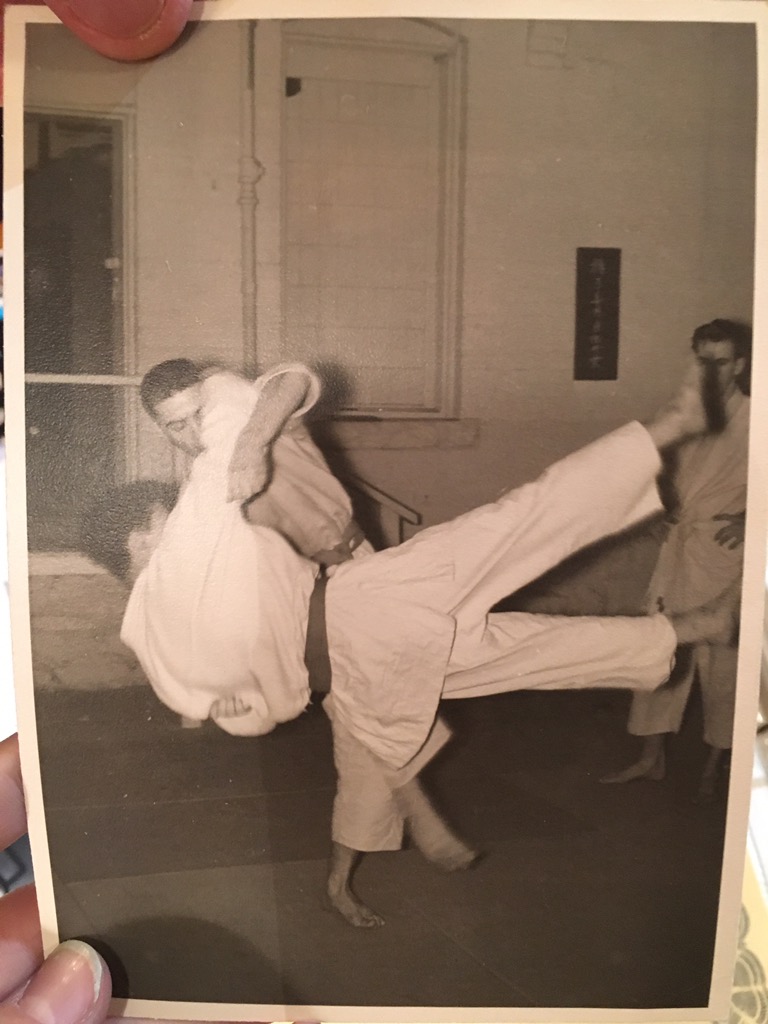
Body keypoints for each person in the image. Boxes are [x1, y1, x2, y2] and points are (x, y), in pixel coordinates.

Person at [82, 362, 737, 925]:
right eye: (157, 517)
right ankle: (683, 569)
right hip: (358, 635)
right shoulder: (192, 531)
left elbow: (256, 717)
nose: (170, 511)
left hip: (352, 628)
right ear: (141, 538)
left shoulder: (150, 642)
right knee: (519, 556)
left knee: (519, 623)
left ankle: (689, 604)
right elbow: (227, 402)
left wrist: (252, 440)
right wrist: (240, 442)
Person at [138, 359, 466, 926]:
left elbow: (294, 377)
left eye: (198, 414)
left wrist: (251, 447)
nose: (193, 434)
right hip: (305, 611)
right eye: (175, 426)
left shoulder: (255, 417)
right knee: (368, 722)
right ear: (159, 430)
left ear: (214, 397)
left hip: (360, 572)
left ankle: (352, 872)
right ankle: (371, 857)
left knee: (376, 724)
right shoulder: (201, 492)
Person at [602, 320, 750, 801]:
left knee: (723, 662)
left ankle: (717, 763)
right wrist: (654, 509)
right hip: (677, 547)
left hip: (723, 553)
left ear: (740, 365)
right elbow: (653, 472)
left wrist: (753, 522)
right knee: (658, 648)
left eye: (721, 361)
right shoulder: (682, 412)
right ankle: (651, 758)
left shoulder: (757, 416)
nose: (710, 369)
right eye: (702, 359)